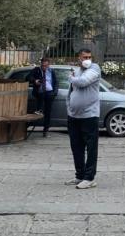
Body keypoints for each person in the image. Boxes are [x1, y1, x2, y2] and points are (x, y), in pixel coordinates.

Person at [66, 48, 101, 189]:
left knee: (91, 147)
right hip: (74, 115)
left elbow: (82, 82)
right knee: (76, 147)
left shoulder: (94, 68)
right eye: (84, 57)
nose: (87, 59)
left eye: (89, 57)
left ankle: (89, 178)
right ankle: (79, 175)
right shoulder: (77, 70)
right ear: (78, 58)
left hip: (90, 115)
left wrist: (72, 78)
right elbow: (71, 90)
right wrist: (69, 107)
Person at [29, 57, 58, 137]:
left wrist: (54, 93)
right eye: (43, 66)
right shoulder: (36, 70)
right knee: (38, 112)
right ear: (41, 64)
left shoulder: (51, 71)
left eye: (46, 66)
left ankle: (45, 131)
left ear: (49, 65)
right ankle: (32, 126)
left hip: (49, 93)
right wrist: (35, 81)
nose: (44, 67)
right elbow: (28, 78)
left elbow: (56, 82)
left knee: (48, 113)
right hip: (40, 93)